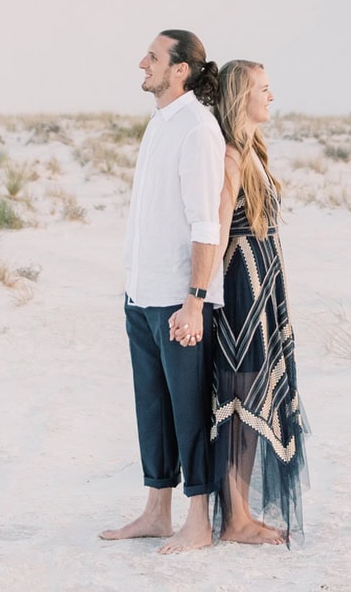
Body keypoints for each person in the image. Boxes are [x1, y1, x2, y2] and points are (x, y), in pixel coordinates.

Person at [99, 29, 227, 555]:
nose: (141, 64)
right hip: (141, 292)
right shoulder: (161, 123)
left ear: (180, 69)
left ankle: (198, 519)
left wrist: (194, 300)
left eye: (152, 57)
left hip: (179, 300)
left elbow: (204, 224)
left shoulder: (197, 129)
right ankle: (156, 510)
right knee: (152, 407)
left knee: (188, 410)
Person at [206, 59, 308, 545]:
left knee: (251, 396)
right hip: (241, 288)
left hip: (263, 282)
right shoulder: (228, 155)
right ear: (240, 96)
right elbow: (219, 230)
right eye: (263, 89)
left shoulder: (254, 151)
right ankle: (234, 519)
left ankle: (240, 513)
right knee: (238, 400)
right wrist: (201, 299)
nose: (271, 97)